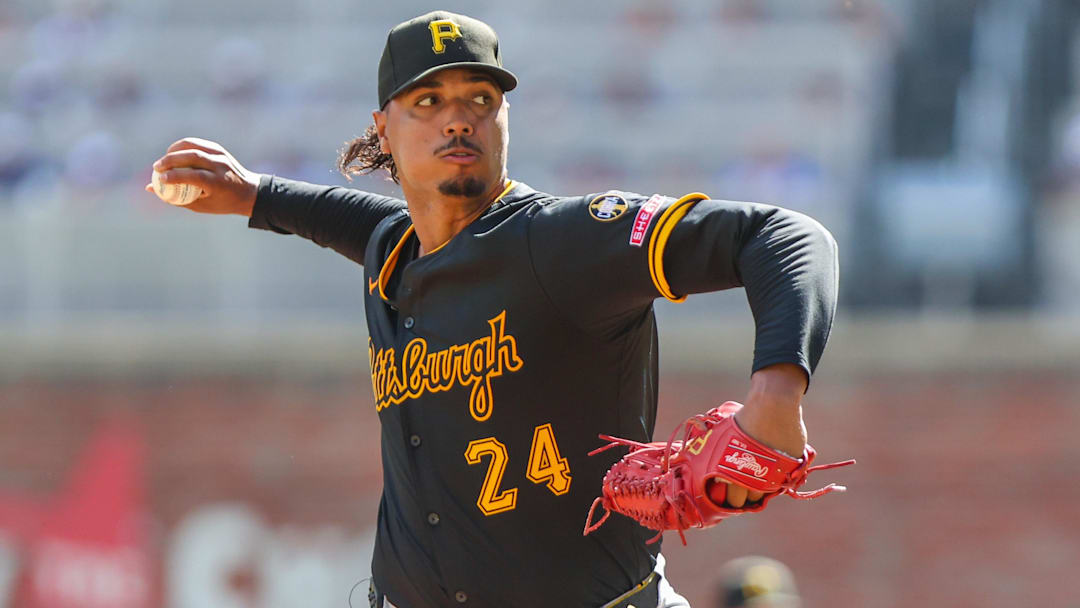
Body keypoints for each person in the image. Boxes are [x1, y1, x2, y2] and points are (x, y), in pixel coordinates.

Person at [148, 11, 839, 608]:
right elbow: (355, 220)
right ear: (382, 130)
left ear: (505, 117)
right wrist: (257, 195)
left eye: (481, 96)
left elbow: (783, 236)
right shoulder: (395, 247)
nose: (458, 116)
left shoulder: (562, 241)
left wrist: (777, 394)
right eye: (427, 101)